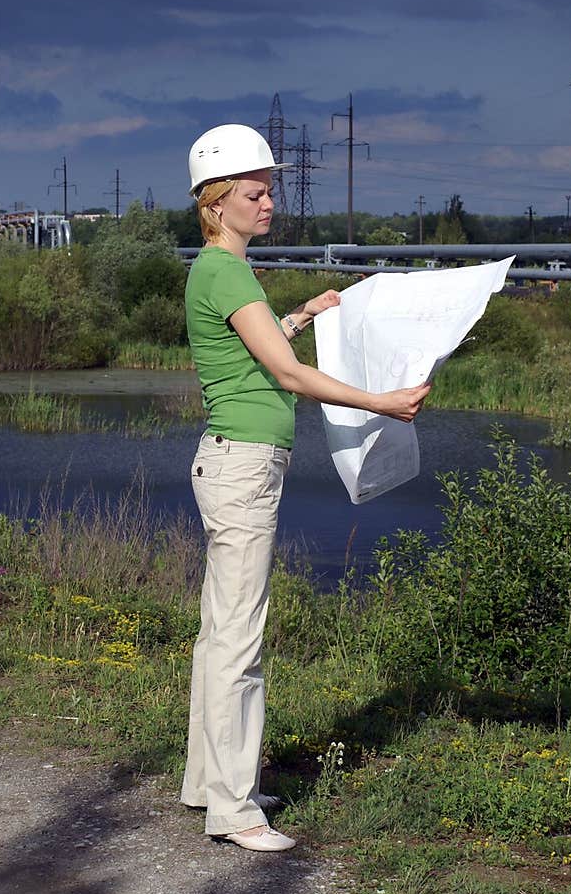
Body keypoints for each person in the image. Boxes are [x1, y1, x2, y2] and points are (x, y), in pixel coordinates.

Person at [179, 124, 431, 852]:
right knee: (239, 641)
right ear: (219, 201)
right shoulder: (225, 270)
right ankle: (234, 808)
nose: (270, 203)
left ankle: (210, 782)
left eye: (270, 191)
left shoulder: (221, 270)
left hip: (234, 463)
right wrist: (380, 402)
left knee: (218, 633)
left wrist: (301, 315)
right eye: (256, 192)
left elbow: (253, 350)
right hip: (242, 468)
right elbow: (287, 374)